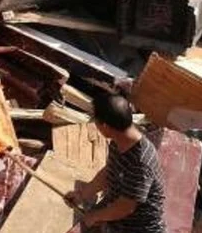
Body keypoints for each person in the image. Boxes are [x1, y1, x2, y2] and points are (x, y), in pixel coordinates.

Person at [65, 93, 166, 232]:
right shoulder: (118, 142)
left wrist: (95, 216)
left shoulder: (141, 162)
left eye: (96, 122)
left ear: (105, 126)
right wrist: (82, 195)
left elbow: (125, 207)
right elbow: (108, 173)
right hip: (116, 214)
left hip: (137, 227)